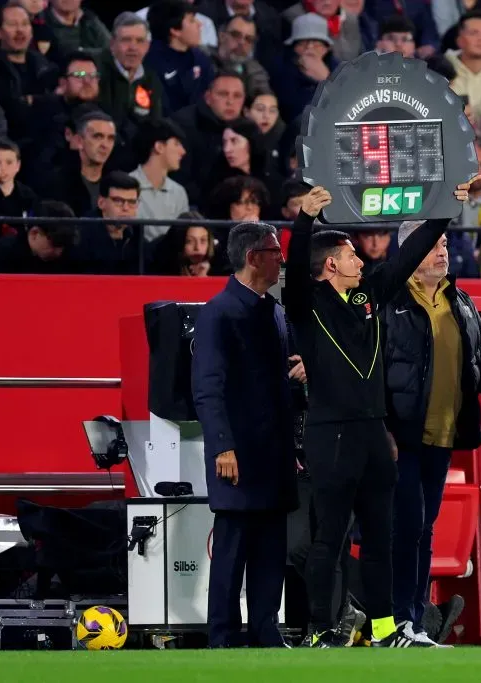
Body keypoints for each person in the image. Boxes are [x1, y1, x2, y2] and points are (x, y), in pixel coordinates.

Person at [283, 177, 478, 648]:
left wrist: (445, 211)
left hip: (373, 436)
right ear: (330, 265)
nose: (360, 258)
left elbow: (409, 256)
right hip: (330, 435)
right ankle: (319, 629)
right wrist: (306, 217)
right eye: (351, 254)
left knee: (381, 537)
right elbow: (293, 269)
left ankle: (387, 629)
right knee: (328, 538)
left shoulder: (368, 295)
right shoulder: (307, 306)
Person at [384, 220, 481, 647]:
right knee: (406, 528)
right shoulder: (388, 299)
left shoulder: (461, 301)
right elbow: (369, 373)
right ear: (407, 252)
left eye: (444, 243)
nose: (442, 252)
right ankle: (399, 620)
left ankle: (416, 622)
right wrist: (380, 429)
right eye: (431, 245)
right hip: (399, 439)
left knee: (423, 530)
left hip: (441, 439)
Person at [191, 222, 302, 649]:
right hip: (238, 453)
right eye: (275, 251)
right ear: (254, 257)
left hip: (273, 454)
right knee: (232, 549)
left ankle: (265, 631)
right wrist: (223, 445)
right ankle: (221, 636)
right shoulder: (219, 312)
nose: (281, 259)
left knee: (271, 550)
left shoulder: (272, 310)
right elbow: (208, 387)